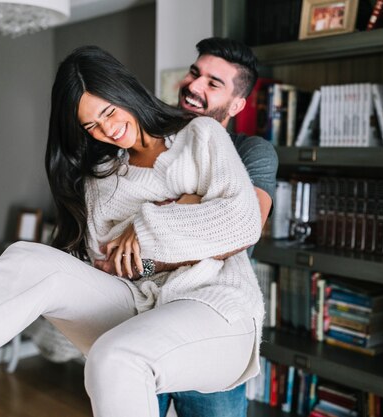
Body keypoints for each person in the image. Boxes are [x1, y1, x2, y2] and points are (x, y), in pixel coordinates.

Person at [0, 45, 265, 417]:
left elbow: (242, 223)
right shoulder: (99, 182)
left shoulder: (201, 136)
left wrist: (146, 226)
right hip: (137, 305)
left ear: (125, 92)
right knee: (27, 258)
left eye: (108, 111)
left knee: (114, 356)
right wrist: (191, 212)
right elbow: (116, 266)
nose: (108, 129)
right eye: (92, 125)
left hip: (216, 305)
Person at [152, 37, 278, 417]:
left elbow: (239, 231)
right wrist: (201, 209)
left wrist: (162, 216)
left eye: (213, 83)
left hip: (214, 328)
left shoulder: (252, 152)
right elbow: (129, 248)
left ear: (237, 104)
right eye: (195, 73)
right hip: (142, 318)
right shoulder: (154, 142)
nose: (194, 86)